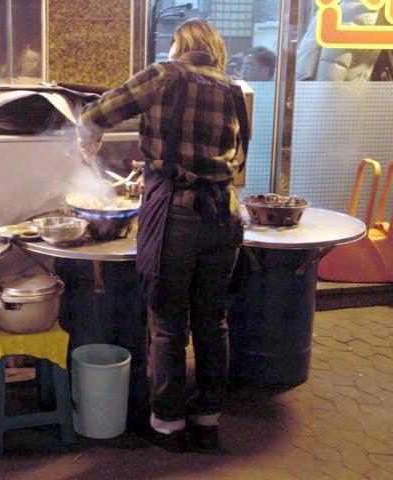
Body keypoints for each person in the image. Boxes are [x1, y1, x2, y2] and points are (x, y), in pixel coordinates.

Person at [77, 18, 249, 453]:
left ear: (179, 44)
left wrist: (88, 140)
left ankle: (168, 423)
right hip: (225, 214)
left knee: (169, 322)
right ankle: (207, 419)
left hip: (177, 213)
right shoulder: (231, 88)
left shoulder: (163, 75)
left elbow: (95, 115)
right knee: (212, 319)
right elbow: (233, 158)